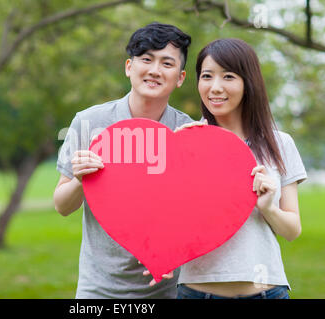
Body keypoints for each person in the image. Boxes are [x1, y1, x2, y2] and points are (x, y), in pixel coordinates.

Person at [53, 22, 194, 298]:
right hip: (98, 290)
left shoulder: (188, 133)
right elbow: (62, 206)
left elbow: (197, 216)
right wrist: (81, 180)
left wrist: (175, 251)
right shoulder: (89, 122)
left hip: (166, 290)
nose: (154, 70)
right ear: (129, 67)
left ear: (180, 77)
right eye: (146, 59)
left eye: (167, 63)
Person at [172, 38, 307, 299]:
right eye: (207, 76)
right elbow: (171, 222)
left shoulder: (280, 144)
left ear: (249, 82)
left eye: (228, 76)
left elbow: (292, 230)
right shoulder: (186, 141)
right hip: (197, 292)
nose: (215, 87)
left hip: (267, 292)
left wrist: (268, 207)